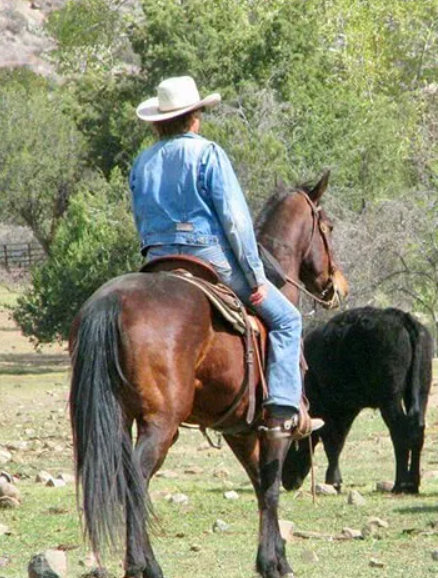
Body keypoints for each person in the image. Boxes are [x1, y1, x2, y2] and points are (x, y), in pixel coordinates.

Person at [130, 76, 311, 437]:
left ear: (157, 123)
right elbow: (235, 221)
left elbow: (140, 219)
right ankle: (282, 408)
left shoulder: (142, 163)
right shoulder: (207, 153)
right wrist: (256, 277)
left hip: (157, 263)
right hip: (210, 260)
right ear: (194, 117)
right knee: (288, 319)